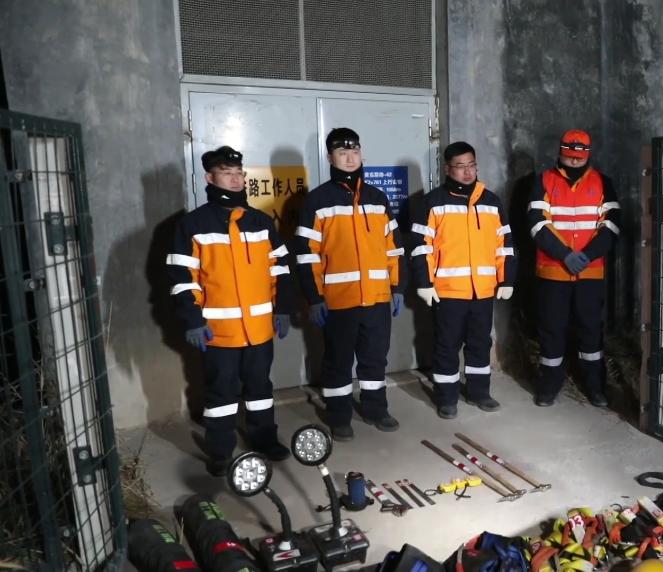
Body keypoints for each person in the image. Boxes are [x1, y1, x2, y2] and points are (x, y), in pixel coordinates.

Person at [166, 146, 295, 476]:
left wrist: (282, 309)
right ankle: (220, 451)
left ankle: (265, 439)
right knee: (221, 393)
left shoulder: (260, 222)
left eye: (239, 173)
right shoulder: (193, 225)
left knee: (260, 389)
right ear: (210, 178)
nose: (236, 180)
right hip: (219, 332)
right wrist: (193, 320)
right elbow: (182, 277)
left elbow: (280, 268)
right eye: (227, 173)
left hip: (259, 329)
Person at [294, 128, 406, 440]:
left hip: (376, 299)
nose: (349, 158)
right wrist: (314, 297)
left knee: (375, 358)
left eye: (354, 152)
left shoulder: (377, 199)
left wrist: (397, 287)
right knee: (338, 361)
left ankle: (376, 409)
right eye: (342, 153)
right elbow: (306, 254)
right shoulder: (318, 201)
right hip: (338, 301)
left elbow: (393, 248)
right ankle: (339, 416)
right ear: (330, 157)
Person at [411, 141, 516, 419]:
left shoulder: (491, 201)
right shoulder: (432, 202)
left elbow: (504, 245)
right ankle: (446, 397)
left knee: (480, 343)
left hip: (482, 290)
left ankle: (479, 392)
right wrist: (424, 283)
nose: (468, 172)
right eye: (460, 167)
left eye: (472, 165)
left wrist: (506, 279)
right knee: (447, 345)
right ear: (448, 169)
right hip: (448, 291)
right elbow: (421, 248)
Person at [526, 129, 621, 407]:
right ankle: (549, 385)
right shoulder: (543, 180)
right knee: (551, 329)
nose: (575, 161)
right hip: (553, 271)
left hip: (589, 273)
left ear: (588, 155)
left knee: (590, 329)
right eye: (570, 156)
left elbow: (612, 223)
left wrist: (587, 255)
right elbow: (537, 222)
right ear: (560, 152)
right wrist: (565, 255)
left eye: (580, 157)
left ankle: (595, 386)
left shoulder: (603, 182)